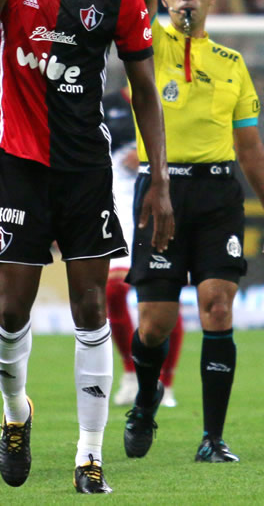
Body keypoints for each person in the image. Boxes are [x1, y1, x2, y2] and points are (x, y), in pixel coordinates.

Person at [0, 0, 174, 494]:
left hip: (84, 171)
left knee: (89, 307)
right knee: (11, 310)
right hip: (19, 164)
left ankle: (88, 454)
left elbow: (146, 93)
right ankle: (16, 413)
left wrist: (159, 179)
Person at [123, 0, 264, 464]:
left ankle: (213, 438)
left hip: (219, 193)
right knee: (155, 325)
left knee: (218, 304)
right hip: (161, 193)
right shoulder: (150, 45)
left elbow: (250, 148)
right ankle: (145, 402)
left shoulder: (232, 65)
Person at [102, 88, 184, 409]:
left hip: (164, 194)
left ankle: (166, 381)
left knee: (165, 293)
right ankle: (130, 373)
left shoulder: (173, 96)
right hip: (117, 197)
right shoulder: (107, 103)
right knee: (112, 291)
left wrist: (151, 151)